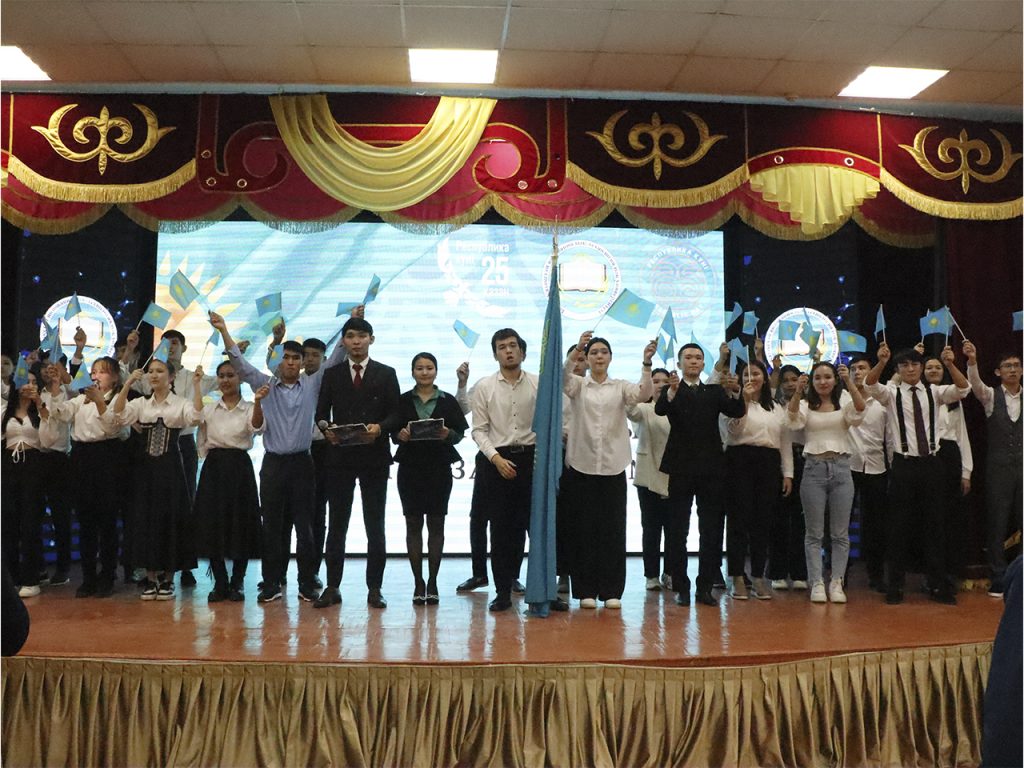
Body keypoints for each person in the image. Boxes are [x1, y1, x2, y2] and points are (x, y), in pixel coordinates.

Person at [208, 309, 348, 604]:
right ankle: (271, 583)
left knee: (305, 527)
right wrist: (223, 330)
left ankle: (307, 583)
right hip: (273, 464)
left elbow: (336, 358)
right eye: (287, 358)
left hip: (302, 463)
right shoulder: (264, 384)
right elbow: (239, 363)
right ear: (278, 361)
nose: (292, 362)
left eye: (297, 358)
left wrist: (352, 321)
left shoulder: (312, 384)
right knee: (271, 526)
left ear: (302, 363)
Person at [864, 343, 969, 605]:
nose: (910, 369)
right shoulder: (891, 393)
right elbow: (869, 384)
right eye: (904, 365)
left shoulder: (935, 392)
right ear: (898, 369)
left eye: (914, 364)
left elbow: (964, 388)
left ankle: (938, 585)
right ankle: (895, 586)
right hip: (903, 465)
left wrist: (950, 364)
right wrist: (881, 362)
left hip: (932, 465)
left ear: (921, 368)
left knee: (935, 526)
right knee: (898, 527)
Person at [562, 332, 655, 609]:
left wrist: (646, 363)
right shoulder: (578, 385)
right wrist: (575, 351)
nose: (599, 356)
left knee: (613, 530)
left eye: (604, 352)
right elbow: (561, 379)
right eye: (593, 352)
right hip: (582, 464)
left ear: (611, 357)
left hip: (613, 466)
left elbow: (644, 394)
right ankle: (585, 591)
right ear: (587, 358)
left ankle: (612, 590)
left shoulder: (620, 386)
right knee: (584, 531)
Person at [314, 316, 401, 610]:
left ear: (371, 340)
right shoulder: (332, 374)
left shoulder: (386, 373)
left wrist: (381, 427)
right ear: (344, 341)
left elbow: (396, 414)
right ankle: (332, 587)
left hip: (374, 458)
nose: (356, 341)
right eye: (350, 336)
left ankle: (375, 589)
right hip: (339, 458)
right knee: (337, 525)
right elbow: (321, 414)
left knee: (375, 525)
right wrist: (327, 429)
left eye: (362, 336)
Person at [122, 328, 217, 588]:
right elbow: (123, 386)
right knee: (150, 508)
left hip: (181, 445)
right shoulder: (148, 381)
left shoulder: (194, 377)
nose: (170, 347)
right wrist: (130, 351)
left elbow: (199, 411)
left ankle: (181, 567)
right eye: (165, 343)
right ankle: (151, 569)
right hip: (149, 453)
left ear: (183, 348)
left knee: (182, 505)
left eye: (175, 343)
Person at [655, 342, 746, 607]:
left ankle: (705, 587)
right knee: (677, 529)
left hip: (711, 469)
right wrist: (671, 392)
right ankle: (681, 586)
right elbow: (660, 410)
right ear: (680, 363)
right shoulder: (672, 390)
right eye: (688, 357)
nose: (693, 361)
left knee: (711, 530)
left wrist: (736, 391)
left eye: (698, 357)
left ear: (703, 364)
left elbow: (736, 410)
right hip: (681, 468)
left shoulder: (714, 391)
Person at [111, 360, 200, 600]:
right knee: (146, 520)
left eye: (160, 371)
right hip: (145, 470)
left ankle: (168, 579)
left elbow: (196, 417)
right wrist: (127, 383)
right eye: (150, 371)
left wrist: (197, 386)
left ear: (171, 377)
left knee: (170, 520)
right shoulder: (141, 403)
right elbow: (118, 414)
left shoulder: (180, 403)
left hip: (171, 469)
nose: (154, 375)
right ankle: (150, 578)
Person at [44, 356, 127, 597]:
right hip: (81, 459)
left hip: (107, 459)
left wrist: (100, 402)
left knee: (107, 522)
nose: (96, 376)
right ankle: (89, 577)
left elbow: (116, 429)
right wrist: (56, 386)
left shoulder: (117, 400)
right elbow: (60, 413)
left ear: (115, 377)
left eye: (102, 372)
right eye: (94, 371)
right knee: (86, 521)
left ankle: (108, 575)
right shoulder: (80, 399)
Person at [392, 353, 469, 605]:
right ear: (412, 372)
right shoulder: (403, 400)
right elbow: (392, 431)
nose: (424, 372)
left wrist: (448, 434)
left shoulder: (447, 400)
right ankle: (418, 583)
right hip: (410, 470)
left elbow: (459, 434)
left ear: (436, 371)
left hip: (438, 469)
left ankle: (433, 582)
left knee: (437, 524)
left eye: (429, 368)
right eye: (419, 368)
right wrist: (400, 435)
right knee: (412, 523)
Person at [470, 328, 538, 612]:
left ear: (522, 351)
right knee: (500, 528)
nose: (508, 351)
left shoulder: (537, 383)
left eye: (512, 345)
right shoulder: (484, 386)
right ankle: (501, 592)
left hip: (532, 459)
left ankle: (532, 586)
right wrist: (496, 459)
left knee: (530, 527)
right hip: (496, 460)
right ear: (495, 354)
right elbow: (478, 430)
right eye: (502, 347)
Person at [787, 361, 866, 603]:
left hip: (841, 468)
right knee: (814, 533)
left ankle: (837, 582)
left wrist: (849, 381)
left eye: (828, 377)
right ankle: (817, 582)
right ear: (811, 381)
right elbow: (793, 420)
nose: (823, 382)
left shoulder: (844, 399)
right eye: (818, 377)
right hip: (813, 468)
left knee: (840, 533)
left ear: (835, 379)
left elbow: (860, 411)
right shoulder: (804, 404)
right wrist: (798, 391)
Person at [192, 360, 266, 602]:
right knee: (212, 524)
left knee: (240, 523)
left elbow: (257, 427)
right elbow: (197, 428)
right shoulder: (209, 409)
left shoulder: (248, 407)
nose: (225, 380)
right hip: (214, 468)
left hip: (239, 468)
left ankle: (238, 582)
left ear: (240, 379)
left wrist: (258, 402)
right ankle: (220, 582)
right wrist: (196, 386)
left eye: (230, 375)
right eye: (221, 376)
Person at [722, 360, 793, 600]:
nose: (751, 378)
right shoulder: (732, 402)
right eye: (746, 374)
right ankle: (737, 576)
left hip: (769, 463)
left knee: (763, 522)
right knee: (738, 521)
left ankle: (758, 576)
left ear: (765, 377)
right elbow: (733, 431)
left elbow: (784, 442)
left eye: (756, 373)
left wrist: (788, 473)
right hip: (739, 461)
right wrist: (743, 400)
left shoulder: (776, 407)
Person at [963, 341, 1022, 597]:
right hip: (998, 469)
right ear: (998, 372)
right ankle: (998, 576)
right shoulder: (990, 396)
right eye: (1007, 366)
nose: (1013, 369)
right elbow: (975, 384)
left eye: (1017, 365)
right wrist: (972, 361)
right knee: (997, 522)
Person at [923, 353, 973, 590]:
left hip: (950, 457)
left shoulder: (953, 399)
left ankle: (948, 572)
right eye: (928, 367)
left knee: (949, 518)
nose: (933, 370)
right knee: (929, 517)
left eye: (937, 367)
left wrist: (966, 472)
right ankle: (929, 573)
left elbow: (962, 435)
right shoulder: (916, 396)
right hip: (926, 456)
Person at [626, 367, 674, 592]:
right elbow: (630, 409)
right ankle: (651, 575)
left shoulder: (679, 407)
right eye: (656, 381)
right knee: (651, 528)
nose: (661, 385)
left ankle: (671, 572)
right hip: (648, 476)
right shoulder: (644, 409)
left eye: (665, 381)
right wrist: (643, 381)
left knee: (674, 529)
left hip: (675, 476)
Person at [846, 356, 890, 593]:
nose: (857, 372)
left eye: (862, 368)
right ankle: (839, 573)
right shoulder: (843, 399)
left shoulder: (883, 402)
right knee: (841, 522)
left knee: (876, 524)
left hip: (876, 466)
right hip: (848, 466)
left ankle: (876, 574)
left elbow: (890, 436)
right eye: (853, 368)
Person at [2, 370, 46, 597]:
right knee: (8, 522)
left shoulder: (39, 411)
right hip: (9, 465)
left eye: (33, 382)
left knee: (31, 521)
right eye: (25, 382)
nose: (29, 386)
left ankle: (31, 577)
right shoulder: (6, 412)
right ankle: (10, 577)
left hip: (33, 465)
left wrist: (39, 403)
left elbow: (50, 436)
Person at [767, 364, 809, 590]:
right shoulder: (773, 406)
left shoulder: (810, 404)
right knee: (778, 521)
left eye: (795, 379)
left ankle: (800, 573)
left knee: (802, 522)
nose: (791, 384)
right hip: (779, 464)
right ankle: (777, 572)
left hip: (805, 461)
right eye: (786, 380)